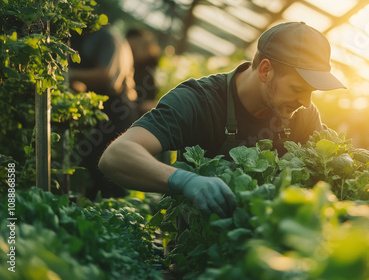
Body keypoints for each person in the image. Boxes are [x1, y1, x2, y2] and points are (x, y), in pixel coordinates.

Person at [98, 22, 346, 217]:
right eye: (297, 88)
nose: (306, 101)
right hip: (199, 250)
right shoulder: (199, 101)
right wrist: (183, 181)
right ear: (265, 70)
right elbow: (116, 156)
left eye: (312, 92)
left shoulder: (302, 113)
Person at [69, 25, 139, 199]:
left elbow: (106, 75)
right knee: (97, 165)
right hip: (108, 109)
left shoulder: (106, 37)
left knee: (107, 166)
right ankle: (108, 212)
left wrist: (68, 75)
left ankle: (116, 212)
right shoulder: (99, 38)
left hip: (117, 110)